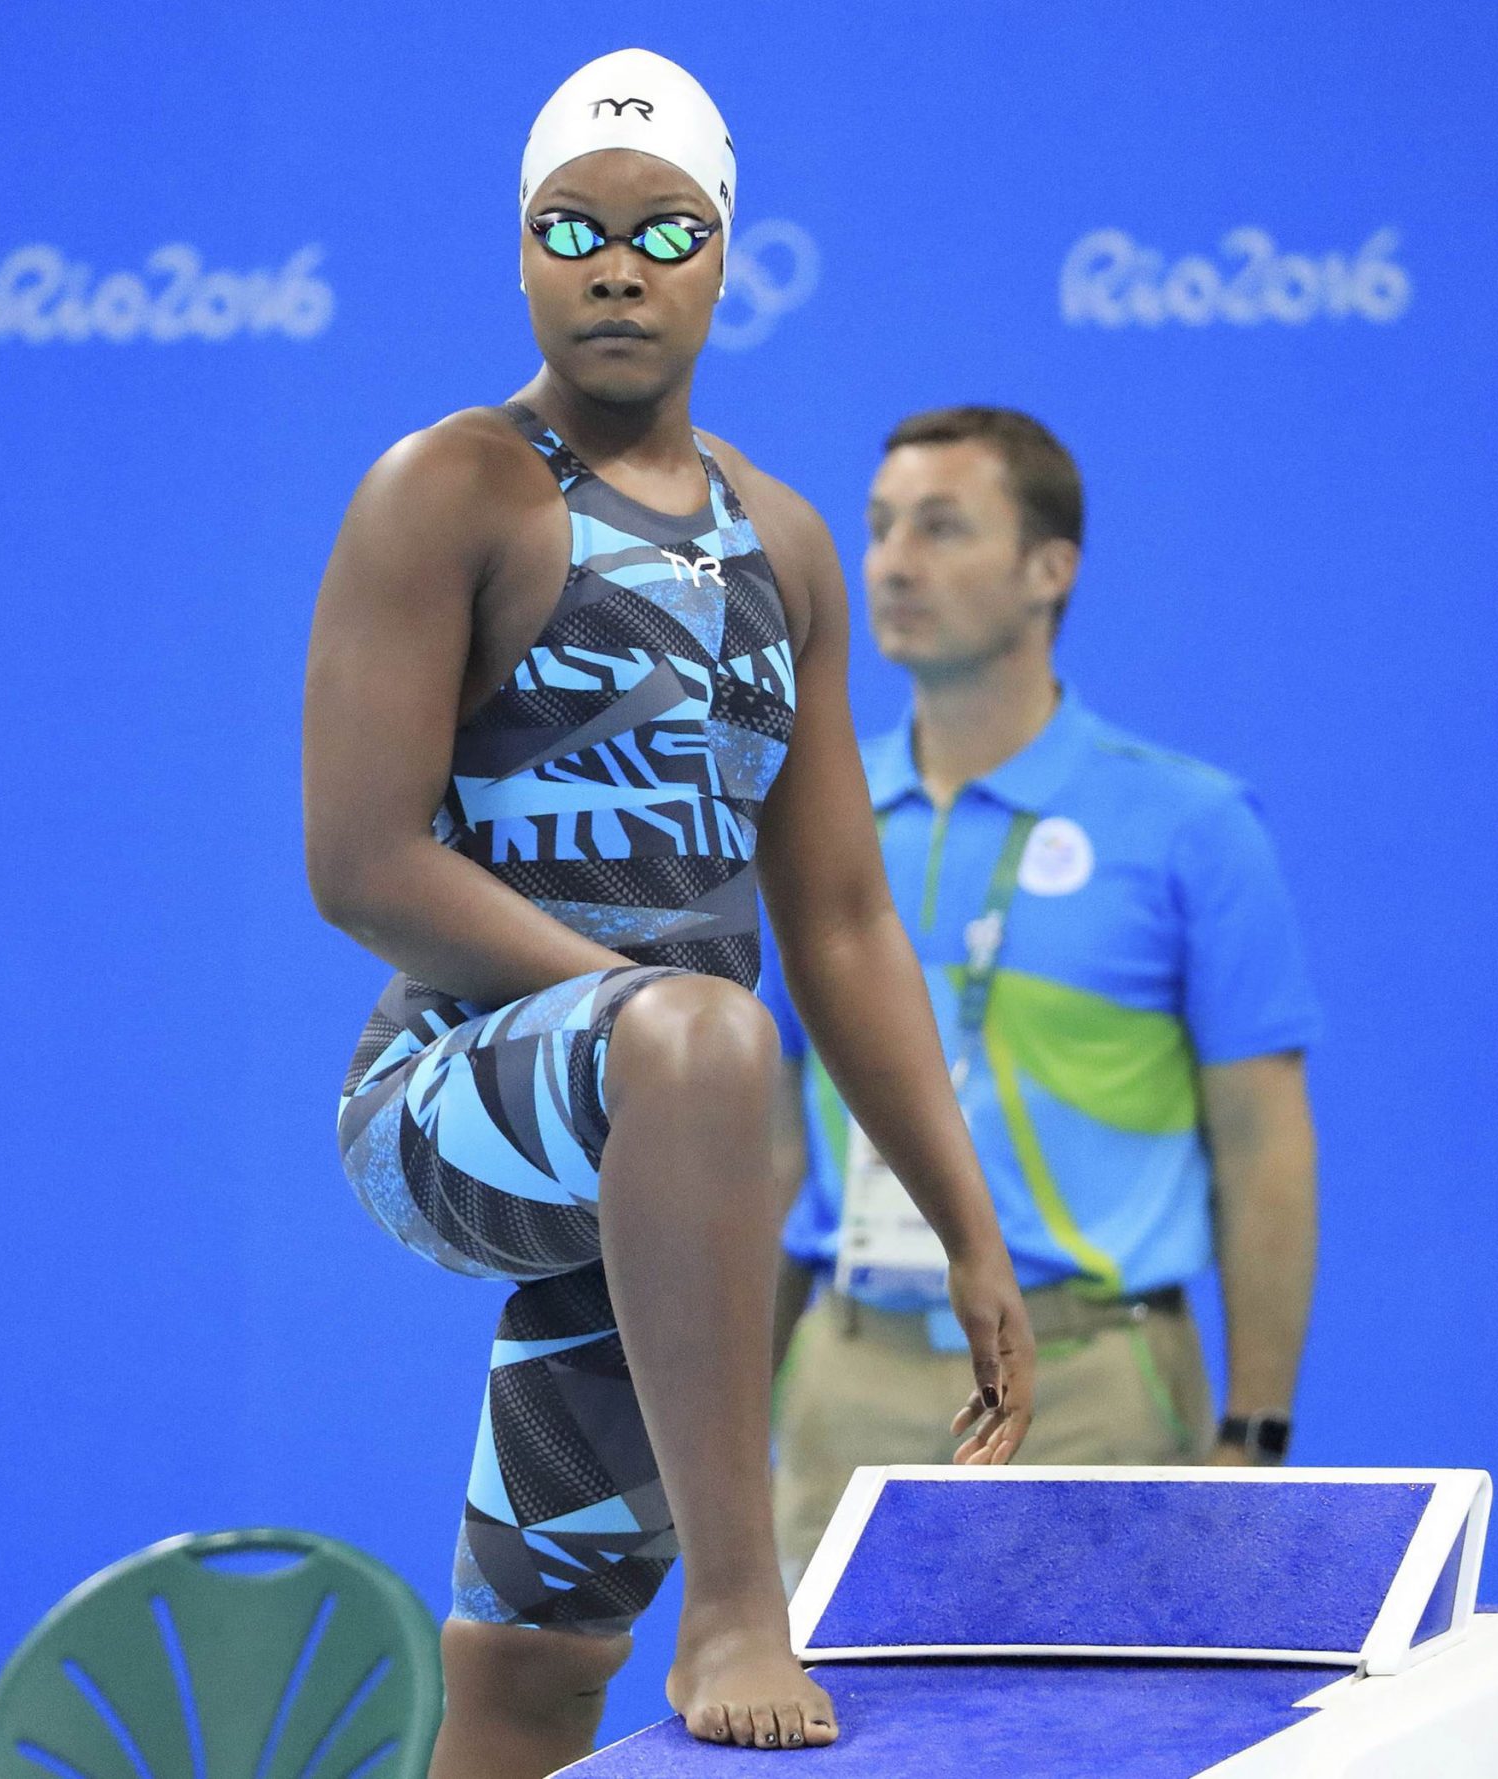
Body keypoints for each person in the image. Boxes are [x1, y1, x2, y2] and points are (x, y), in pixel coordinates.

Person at [302, 52, 1036, 1777]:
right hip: (451, 1093)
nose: (617, 264)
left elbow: (845, 913)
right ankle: (739, 1593)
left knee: (541, 1666)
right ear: (521, 254)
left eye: (663, 230)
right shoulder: (454, 488)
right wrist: (650, 1022)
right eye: (574, 227)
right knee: (706, 1034)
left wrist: (966, 1226)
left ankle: (623, 1629)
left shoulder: (781, 544)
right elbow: (359, 861)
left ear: (725, 262)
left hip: (673, 1166)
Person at [762, 408, 1323, 1577]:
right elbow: (772, 1138)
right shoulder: (808, 817)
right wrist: (728, 1400)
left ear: (1048, 570)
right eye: (876, 529)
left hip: (1091, 1388)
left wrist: (1255, 1432)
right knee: (826, 1757)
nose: (892, 563)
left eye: (942, 528)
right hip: (847, 1376)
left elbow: (1262, 1141)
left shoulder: (1190, 828)